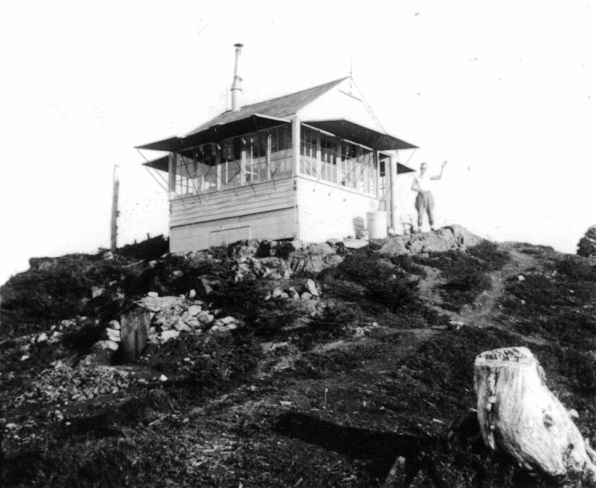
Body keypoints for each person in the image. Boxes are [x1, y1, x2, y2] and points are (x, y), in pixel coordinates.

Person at [411, 160, 447, 232]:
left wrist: (442, 168)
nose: (423, 169)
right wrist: (419, 189)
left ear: (427, 169)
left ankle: (432, 227)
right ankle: (420, 228)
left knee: (430, 211)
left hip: (428, 194)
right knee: (420, 212)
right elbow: (412, 187)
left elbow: (439, 177)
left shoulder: (428, 176)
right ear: (420, 168)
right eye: (422, 168)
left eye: (424, 168)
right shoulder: (417, 177)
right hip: (421, 195)